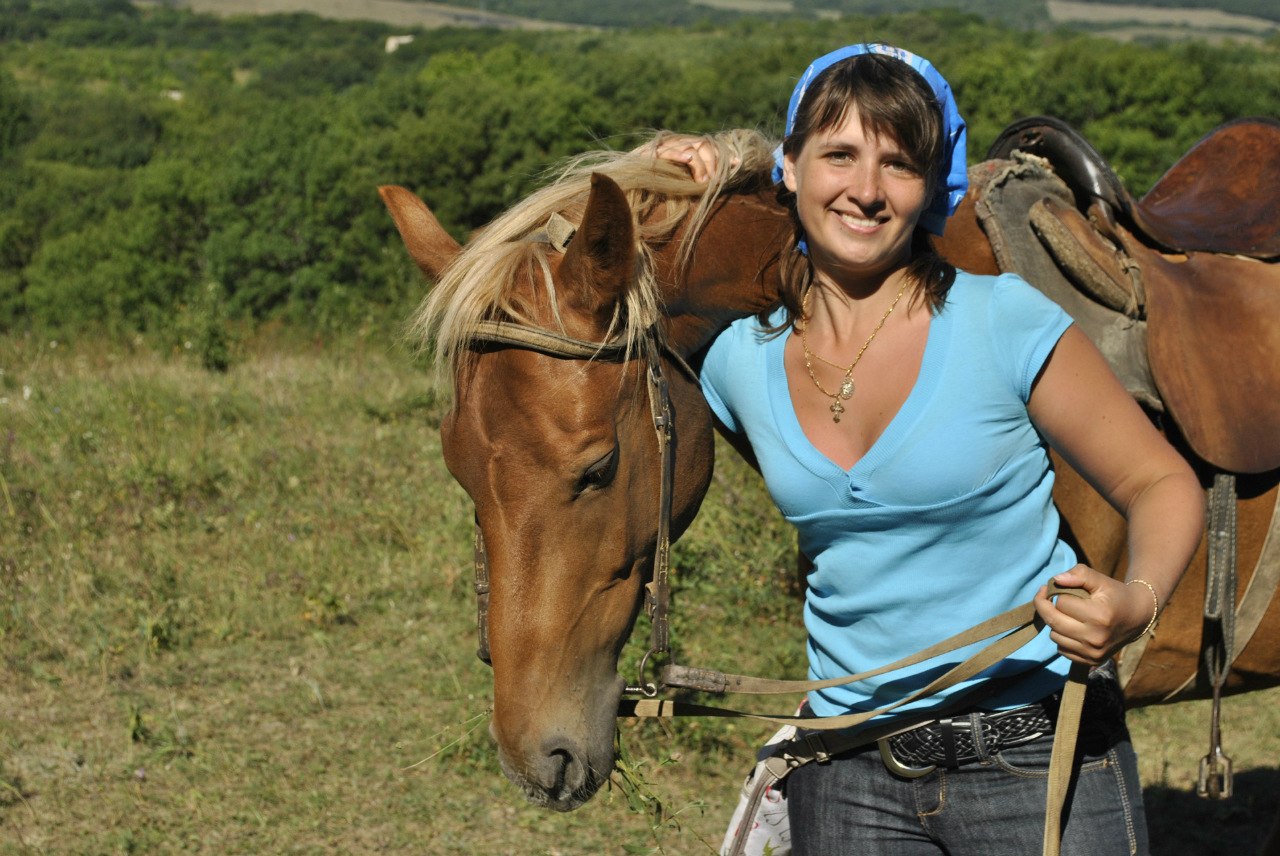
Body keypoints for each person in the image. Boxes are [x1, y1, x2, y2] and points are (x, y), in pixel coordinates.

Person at [654, 44, 1204, 856]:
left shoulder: (1001, 320)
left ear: (932, 187)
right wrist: (668, 174)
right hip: (846, 768)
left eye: (899, 164)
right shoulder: (736, 357)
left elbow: (1159, 479)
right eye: (838, 155)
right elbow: (583, 285)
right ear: (791, 167)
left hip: (1035, 751)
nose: (866, 191)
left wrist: (1137, 601)